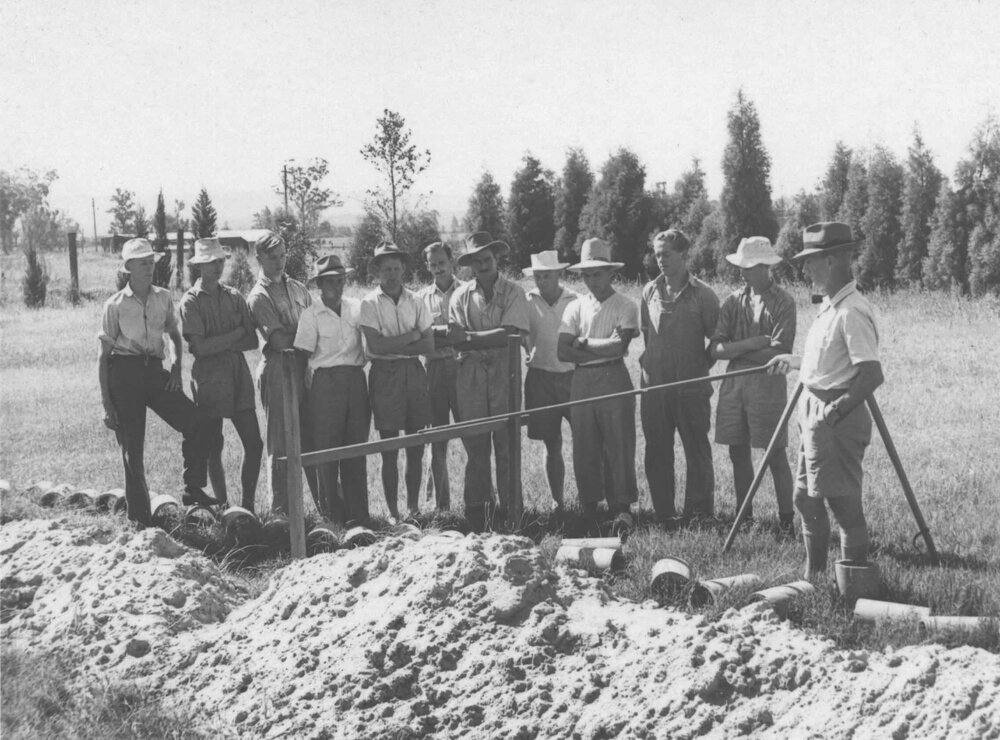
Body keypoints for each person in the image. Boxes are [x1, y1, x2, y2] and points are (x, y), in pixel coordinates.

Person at [767, 222, 883, 578]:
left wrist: (835, 410)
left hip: (835, 416)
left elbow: (871, 374)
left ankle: (855, 586)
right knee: (805, 498)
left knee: (844, 506)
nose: (804, 270)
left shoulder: (851, 312)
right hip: (816, 412)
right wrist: (796, 363)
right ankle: (813, 579)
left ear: (832, 261)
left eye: (810, 261)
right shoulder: (831, 306)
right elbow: (832, 362)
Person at [98, 238, 214, 526]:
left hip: (156, 373)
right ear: (128, 268)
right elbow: (103, 358)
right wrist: (107, 405)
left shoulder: (163, 297)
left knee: (196, 421)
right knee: (132, 448)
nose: (150, 267)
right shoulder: (114, 306)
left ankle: (193, 488)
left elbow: (174, 335)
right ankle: (140, 520)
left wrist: (176, 368)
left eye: (152, 261)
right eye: (143, 263)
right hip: (123, 376)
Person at [710, 236, 796, 534]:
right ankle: (743, 516)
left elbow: (780, 351)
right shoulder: (733, 300)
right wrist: (753, 343)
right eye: (741, 267)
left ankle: (787, 521)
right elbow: (715, 350)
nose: (742, 272)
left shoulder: (783, 301)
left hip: (768, 386)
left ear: (764, 267)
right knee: (737, 451)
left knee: (774, 453)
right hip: (733, 386)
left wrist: (737, 348)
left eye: (748, 267)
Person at [448, 231, 529, 532]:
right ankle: (479, 510)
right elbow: (456, 339)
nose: (482, 265)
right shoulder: (460, 296)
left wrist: (471, 338)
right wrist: (475, 340)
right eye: (476, 261)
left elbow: (512, 334)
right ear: (469, 265)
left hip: (505, 372)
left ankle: (512, 509)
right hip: (470, 375)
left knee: (507, 442)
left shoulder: (514, 292)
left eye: (487, 259)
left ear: (497, 259)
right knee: (475, 443)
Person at [557, 238, 639, 533]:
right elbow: (562, 350)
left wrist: (582, 342)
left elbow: (619, 348)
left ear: (610, 273)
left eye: (598, 273)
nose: (592, 280)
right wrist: (597, 346)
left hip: (613, 377)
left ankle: (622, 507)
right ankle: (589, 506)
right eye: (587, 274)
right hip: (582, 380)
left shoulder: (625, 305)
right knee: (585, 445)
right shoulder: (575, 306)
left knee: (619, 442)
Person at [640, 229, 721, 527]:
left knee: (696, 449)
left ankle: (699, 516)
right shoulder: (649, 291)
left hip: (691, 387)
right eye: (657, 254)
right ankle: (664, 514)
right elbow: (647, 335)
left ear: (684, 255)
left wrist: (695, 370)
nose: (661, 260)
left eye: (667, 254)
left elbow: (715, 343)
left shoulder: (704, 295)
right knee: (657, 449)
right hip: (654, 387)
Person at [179, 237, 263, 512]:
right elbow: (199, 348)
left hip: (238, 375)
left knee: (254, 442)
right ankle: (223, 507)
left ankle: (247, 508)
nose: (216, 267)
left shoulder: (234, 296)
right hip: (209, 379)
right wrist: (235, 334)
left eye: (219, 262)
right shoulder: (191, 301)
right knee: (213, 445)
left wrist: (222, 341)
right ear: (199, 267)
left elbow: (252, 340)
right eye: (209, 263)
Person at [359, 243, 433, 522]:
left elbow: (429, 342)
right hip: (384, 375)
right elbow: (375, 347)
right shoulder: (369, 303)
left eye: (396, 268)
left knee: (415, 445)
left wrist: (401, 344)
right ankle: (392, 512)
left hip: (413, 373)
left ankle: (413, 508)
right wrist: (410, 336)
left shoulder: (416, 300)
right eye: (386, 269)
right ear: (377, 271)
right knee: (388, 449)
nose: (392, 274)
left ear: (404, 269)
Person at [294, 255, 370, 526]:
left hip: (356, 381)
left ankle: (359, 515)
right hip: (325, 384)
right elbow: (302, 355)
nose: (337, 287)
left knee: (356, 448)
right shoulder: (311, 314)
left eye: (341, 281)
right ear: (319, 285)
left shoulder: (356, 308)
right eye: (330, 282)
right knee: (327, 451)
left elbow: (370, 341)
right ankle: (331, 518)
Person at [247, 232, 319, 515]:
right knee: (281, 442)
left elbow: (317, 328)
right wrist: (302, 333)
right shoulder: (258, 296)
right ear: (260, 259)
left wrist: (296, 333)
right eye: (272, 257)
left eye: (282, 256)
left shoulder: (300, 289)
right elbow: (277, 341)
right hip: (278, 369)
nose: (279, 262)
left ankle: (325, 508)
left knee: (312, 438)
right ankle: (282, 514)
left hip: (305, 367)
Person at [523, 250, 577, 511]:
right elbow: (523, 334)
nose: (541, 280)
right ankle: (558, 502)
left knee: (587, 440)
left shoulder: (575, 300)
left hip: (573, 377)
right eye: (538, 276)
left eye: (546, 275)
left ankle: (592, 499)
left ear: (558, 274)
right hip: (540, 378)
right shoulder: (527, 300)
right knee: (551, 442)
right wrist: (527, 350)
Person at [418, 241, 464, 510]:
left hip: (461, 367)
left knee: (472, 434)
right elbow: (421, 337)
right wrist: (446, 335)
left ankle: (481, 499)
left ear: (451, 262)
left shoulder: (466, 292)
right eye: (432, 264)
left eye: (442, 263)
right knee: (436, 438)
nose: (438, 268)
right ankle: (438, 505)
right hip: (432, 370)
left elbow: (464, 335)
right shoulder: (422, 298)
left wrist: (440, 335)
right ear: (427, 266)